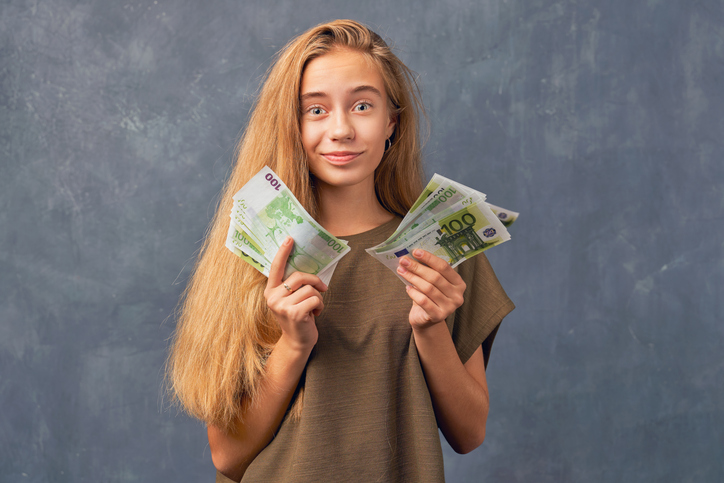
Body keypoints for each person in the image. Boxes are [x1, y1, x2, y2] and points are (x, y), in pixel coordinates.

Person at [167, 19, 514, 482]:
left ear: (392, 121)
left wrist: (431, 329)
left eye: (362, 105)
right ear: (291, 124)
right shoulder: (254, 251)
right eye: (315, 110)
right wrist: (293, 343)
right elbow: (227, 456)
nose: (341, 129)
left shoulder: (443, 252)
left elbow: (469, 433)